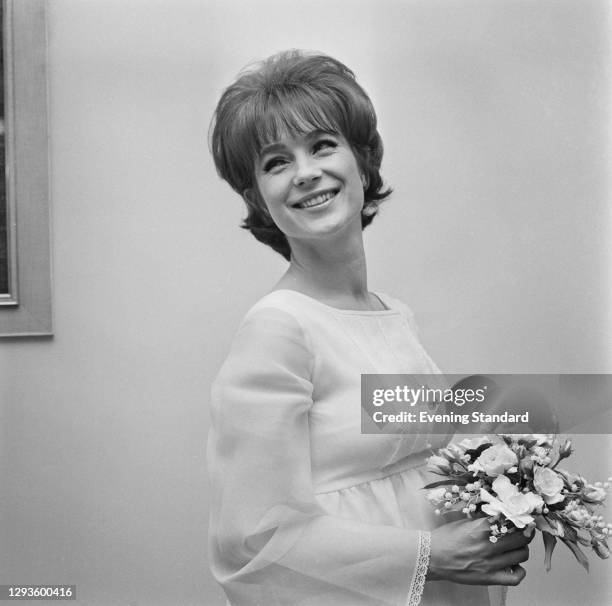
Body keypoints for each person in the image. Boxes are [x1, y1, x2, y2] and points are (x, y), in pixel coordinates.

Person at [207, 50, 531, 606]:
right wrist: (433, 554)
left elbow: (385, 446)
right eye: (276, 162)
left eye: (322, 145)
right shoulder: (277, 331)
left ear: (363, 159)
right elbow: (254, 536)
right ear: (255, 196)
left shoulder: (391, 312)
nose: (305, 172)